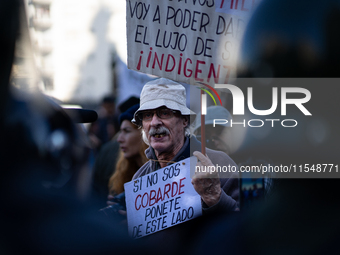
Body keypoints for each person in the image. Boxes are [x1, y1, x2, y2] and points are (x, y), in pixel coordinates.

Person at [107, 104, 148, 197]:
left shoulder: (165, 172)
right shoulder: (124, 172)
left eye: (127, 131)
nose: (119, 139)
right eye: (120, 132)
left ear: (145, 135)